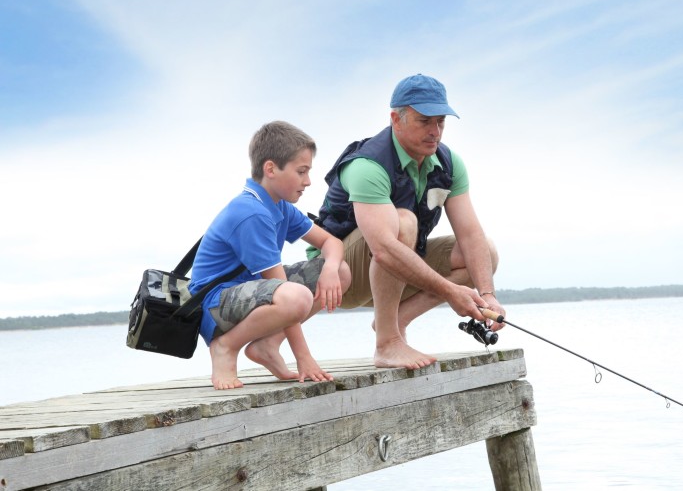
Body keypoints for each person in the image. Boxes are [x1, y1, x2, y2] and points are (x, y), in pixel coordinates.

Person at [312, 73, 504, 370]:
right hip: (338, 276)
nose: (435, 131)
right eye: (424, 121)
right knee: (403, 223)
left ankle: (394, 322)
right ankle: (387, 344)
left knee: (485, 254)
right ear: (396, 118)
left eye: (440, 121)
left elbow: (470, 234)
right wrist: (451, 292)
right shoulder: (367, 165)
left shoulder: (450, 163)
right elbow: (385, 248)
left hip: (396, 270)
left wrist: (487, 295)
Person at [190, 120, 351, 390]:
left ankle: (267, 345)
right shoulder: (251, 213)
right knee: (295, 296)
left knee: (341, 271)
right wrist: (305, 358)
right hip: (215, 304)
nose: (308, 181)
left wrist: (332, 268)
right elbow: (282, 288)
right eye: (301, 172)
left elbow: (330, 241)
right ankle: (225, 347)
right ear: (271, 169)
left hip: (251, 294)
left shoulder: (279, 206)